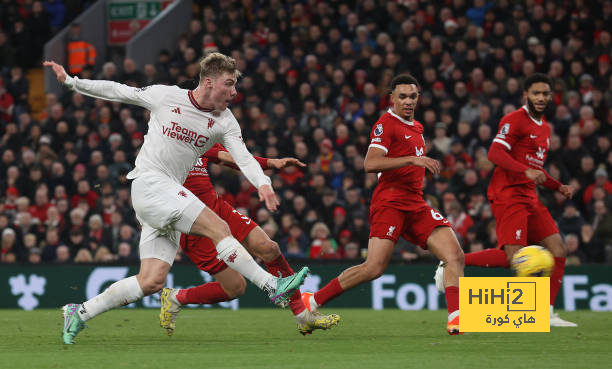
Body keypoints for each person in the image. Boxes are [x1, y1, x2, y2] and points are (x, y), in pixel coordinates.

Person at [44, 52, 310, 345]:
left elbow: (243, 157)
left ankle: (79, 312)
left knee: (151, 281)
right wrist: (71, 82)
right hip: (149, 183)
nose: (235, 92)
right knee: (218, 228)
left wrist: (263, 183)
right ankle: (272, 285)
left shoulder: (225, 120)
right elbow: (119, 91)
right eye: (229, 84)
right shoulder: (166, 96)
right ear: (208, 82)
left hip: (164, 196)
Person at [302, 74, 465, 335]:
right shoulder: (385, 124)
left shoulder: (418, 128)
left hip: (415, 203)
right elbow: (370, 163)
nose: (408, 101)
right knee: (374, 268)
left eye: (412, 96)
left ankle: (457, 319)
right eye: (402, 96)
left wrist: (414, 162)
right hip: (389, 202)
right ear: (392, 98)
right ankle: (312, 300)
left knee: (455, 255)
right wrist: (412, 160)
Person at [435, 73, 577, 327]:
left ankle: (546, 313)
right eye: (536, 93)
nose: (541, 98)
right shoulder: (515, 120)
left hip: (529, 195)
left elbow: (534, 167)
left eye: (546, 93)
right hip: (508, 193)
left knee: (558, 249)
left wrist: (559, 187)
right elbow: (494, 152)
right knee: (514, 258)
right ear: (526, 95)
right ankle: (452, 262)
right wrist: (525, 171)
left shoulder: (544, 127)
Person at [159, 143, 339, 336]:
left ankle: (303, 316)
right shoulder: (170, 137)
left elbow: (235, 158)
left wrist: (271, 162)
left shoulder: (202, 132)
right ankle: (176, 298)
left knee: (268, 248)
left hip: (216, 207)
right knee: (235, 288)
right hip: (191, 223)